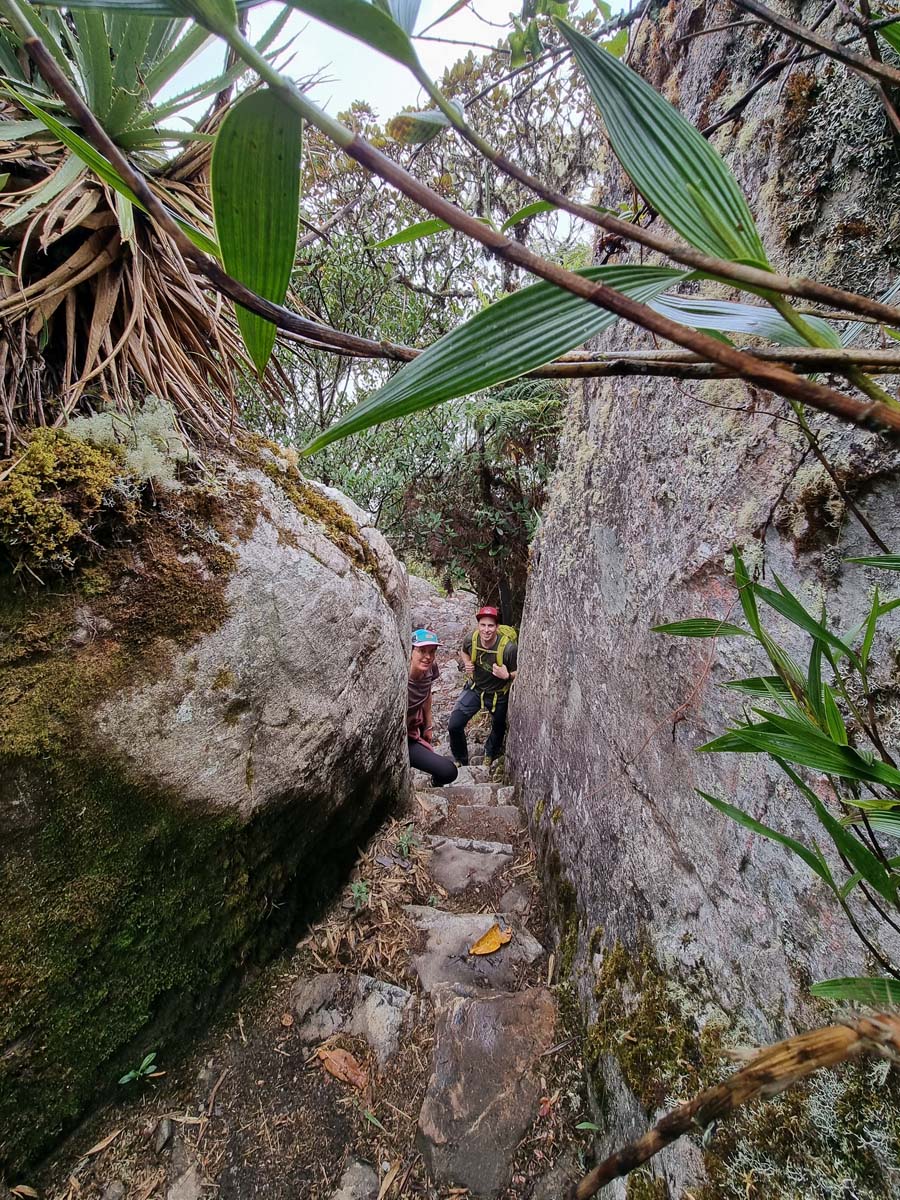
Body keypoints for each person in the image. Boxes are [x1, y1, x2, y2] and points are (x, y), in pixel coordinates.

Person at [448, 605, 517, 768]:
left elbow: (519, 672)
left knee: (499, 726)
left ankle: (490, 753)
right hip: (475, 689)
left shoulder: (508, 648)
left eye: (491, 625)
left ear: (497, 627)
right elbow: (464, 651)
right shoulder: (471, 639)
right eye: (483, 625)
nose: (486, 630)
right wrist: (466, 662)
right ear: (478, 625)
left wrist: (507, 675)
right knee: (454, 725)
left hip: (498, 694)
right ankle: (461, 759)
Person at [407, 628, 458, 787]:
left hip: (415, 728)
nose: (428, 657)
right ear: (410, 651)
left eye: (432, 651)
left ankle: (433, 785)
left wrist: (428, 726)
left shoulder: (430, 668)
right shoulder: (400, 676)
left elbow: (427, 691)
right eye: (421, 651)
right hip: (400, 738)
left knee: (449, 770)